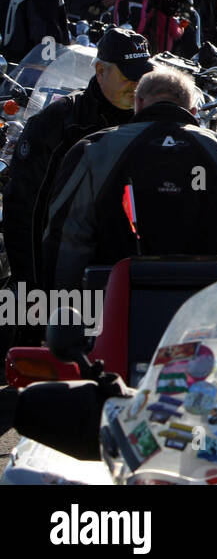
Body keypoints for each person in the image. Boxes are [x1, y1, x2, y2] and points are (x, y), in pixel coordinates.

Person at [42, 68, 217, 309]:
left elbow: (68, 240)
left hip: (114, 313)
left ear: (138, 104)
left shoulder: (94, 149)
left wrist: (63, 318)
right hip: (209, 317)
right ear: (192, 111)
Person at [2, 28, 151, 341]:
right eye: (128, 76)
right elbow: (23, 210)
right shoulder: (57, 124)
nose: (136, 85)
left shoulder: (149, 122)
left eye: (143, 76)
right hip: (62, 279)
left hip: (128, 277)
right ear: (100, 71)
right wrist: (32, 287)